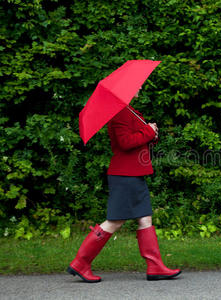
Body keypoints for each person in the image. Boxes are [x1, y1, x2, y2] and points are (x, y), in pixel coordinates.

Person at [67, 87, 181, 283]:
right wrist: (148, 130)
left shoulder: (129, 110)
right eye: (137, 86)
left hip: (135, 173)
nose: (139, 88)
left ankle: (155, 266)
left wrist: (151, 134)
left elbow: (137, 138)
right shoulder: (119, 113)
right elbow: (125, 142)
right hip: (124, 175)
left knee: (145, 218)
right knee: (115, 221)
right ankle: (80, 263)